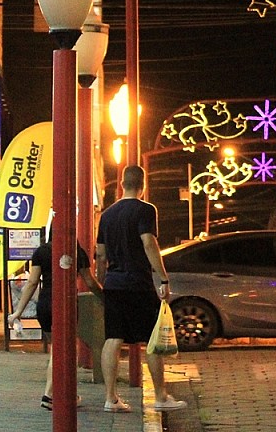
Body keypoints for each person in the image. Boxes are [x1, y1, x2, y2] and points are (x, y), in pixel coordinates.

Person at [95, 165, 187, 413]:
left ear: (122, 184)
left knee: (113, 338)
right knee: (152, 340)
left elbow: (100, 255)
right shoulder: (146, 210)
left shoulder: (107, 215)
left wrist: (103, 283)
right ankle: (160, 396)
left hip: (114, 284)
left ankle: (110, 398)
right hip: (138, 283)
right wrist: (163, 278)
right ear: (142, 185)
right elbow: (148, 243)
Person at [8, 239, 102, 410]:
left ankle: (63, 392)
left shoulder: (41, 251)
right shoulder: (78, 251)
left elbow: (32, 282)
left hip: (44, 304)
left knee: (56, 350)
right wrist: (104, 297)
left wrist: (18, 311)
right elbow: (89, 281)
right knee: (64, 350)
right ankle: (50, 394)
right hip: (65, 304)